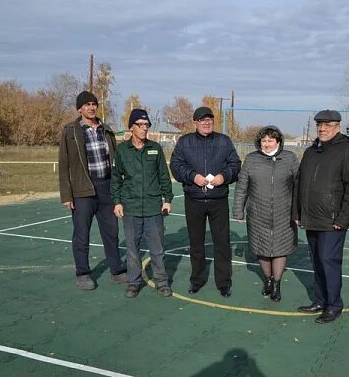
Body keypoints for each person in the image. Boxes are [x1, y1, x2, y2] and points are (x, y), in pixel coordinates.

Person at [294, 109, 349, 324]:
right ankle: (320, 300)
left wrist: (343, 218)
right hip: (311, 218)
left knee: (328, 261)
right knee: (317, 261)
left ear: (337, 127)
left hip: (332, 220)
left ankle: (334, 305)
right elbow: (299, 184)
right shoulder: (310, 152)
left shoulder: (348, 151)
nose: (322, 128)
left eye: (327, 125)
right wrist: (297, 213)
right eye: (319, 125)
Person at [170, 106, 241, 297]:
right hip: (194, 199)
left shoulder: (224, 141)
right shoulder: (185, 142)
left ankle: (224, 283)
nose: (206, 122)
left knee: (222, 243)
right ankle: (197, 280)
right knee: (196, 243)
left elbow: (235, 164)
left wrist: (223, 177)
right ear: (195, 123)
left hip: (218, 200)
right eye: (202, 120)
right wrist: (192, 176)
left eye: (209, 119)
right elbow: (176, 165)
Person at [58, 91, 126, 290]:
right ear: (79, 109)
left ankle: (117, 270)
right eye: (87, 104)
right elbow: (63, 164)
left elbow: (116, 161)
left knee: (111, 232)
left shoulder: (107, 130)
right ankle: (83, 273)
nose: (91, 107)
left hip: (107, 188)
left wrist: (118, 188)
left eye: (94, 104)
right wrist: (66, 194)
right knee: (81, 234)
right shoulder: (70, 131)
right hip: (83, 189)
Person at [110, 109, 174, 298]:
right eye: (141, 125)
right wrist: (117, 202)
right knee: (132, 250)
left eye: (147, 125)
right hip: (131, 207)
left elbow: (164, 175)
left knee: (157, 249)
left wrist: (167, 199)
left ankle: (162, 282)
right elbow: (116, 179)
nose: (145, 128)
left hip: (154, 207)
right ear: (131, 127)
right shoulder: (122, 151)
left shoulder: (155, 148)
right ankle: (133, 283)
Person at [232, 126, 299, 302]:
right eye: (264, 140)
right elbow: (241, 186)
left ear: (278, 141)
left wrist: (299, 212)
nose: (267, 144)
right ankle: (267, 280)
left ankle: (276, 284)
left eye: (270, 140)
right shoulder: (251, 159)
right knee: (261, 249)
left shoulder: (290, 158)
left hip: (284, 214)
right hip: (257, 213)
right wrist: (238, 210)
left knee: (279, 249)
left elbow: (299, 186)